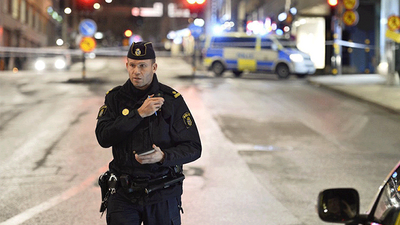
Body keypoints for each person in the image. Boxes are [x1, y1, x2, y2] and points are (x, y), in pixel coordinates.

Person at [95, 41, 202, 225]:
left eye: (143, 66)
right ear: (127, 65)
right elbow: (104, 138)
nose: (137, 71)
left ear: (154, 67)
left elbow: (193, 147)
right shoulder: (115, 98)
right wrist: (138, 115)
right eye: (132, 65)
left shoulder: (171, 100)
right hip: (123, 193)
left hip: (162, 192)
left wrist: (164, 156)